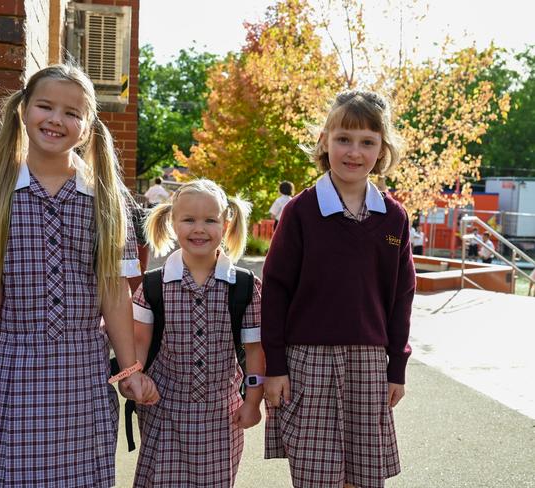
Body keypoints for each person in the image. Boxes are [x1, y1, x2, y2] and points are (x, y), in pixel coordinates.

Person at [0, 64, 158, 487]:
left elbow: (114, 292)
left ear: (87, 126)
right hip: (9, 371)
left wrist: (129, 370)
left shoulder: (106, 199)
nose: (57, 119)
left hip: (83, 373)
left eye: (72, 113)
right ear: (23, 110)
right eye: (45, 106)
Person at [261, 90, 415, 488]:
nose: (354, 151)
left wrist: (396, 366)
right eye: (343, 138)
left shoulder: (394, 218)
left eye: (367, 142)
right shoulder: (300, 211)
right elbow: (275, 291)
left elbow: (402, 298)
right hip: (306, 363)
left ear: (382, 151)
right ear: (325, 141)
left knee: (363, 477)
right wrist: (274, 367)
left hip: (369, 364)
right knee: (316, 476)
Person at [132, 179, 265, 487]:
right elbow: (138, 345)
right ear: (171, 222)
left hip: (222, 416)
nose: (199, 229)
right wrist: (132, 380)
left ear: (226, 223)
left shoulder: (244, 287)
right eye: (189, 219)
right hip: (163, 412)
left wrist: (253, 401)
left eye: (210, 220)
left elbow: (255, 351)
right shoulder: (153, 286)